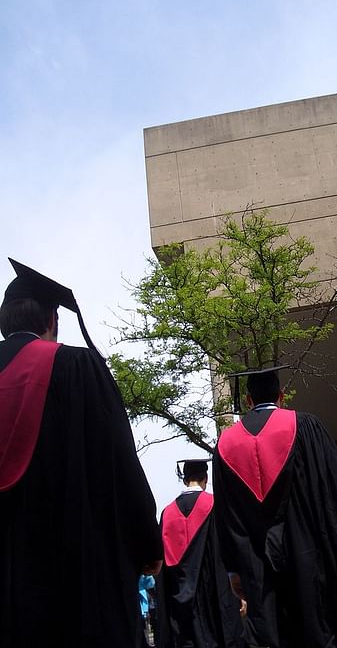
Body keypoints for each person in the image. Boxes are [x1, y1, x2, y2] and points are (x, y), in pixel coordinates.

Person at [0, 259, 163, 648]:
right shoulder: (75, 366)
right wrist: (146, 543)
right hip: (71, 571)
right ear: (52, 321)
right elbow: (117, 459)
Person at [213, 365, 337, 648]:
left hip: (262, 570)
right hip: (313, 560)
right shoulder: (307, 426)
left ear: (248, 401)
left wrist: (233, 570)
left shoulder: (226, 445)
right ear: (281, 396)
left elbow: (226, 517)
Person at [158, 459, 243, 648]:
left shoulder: (167, 513)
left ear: (184, 479)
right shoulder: (215, 505)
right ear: (205, 478)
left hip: (178, 605)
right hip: (213, 599)